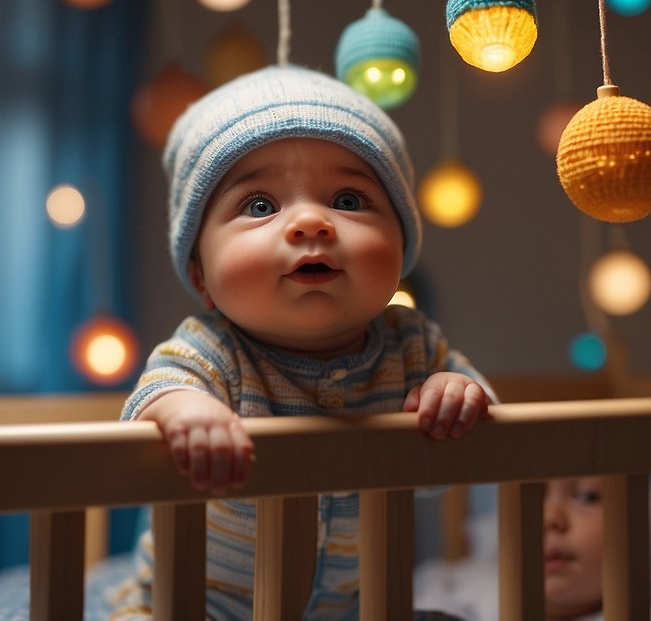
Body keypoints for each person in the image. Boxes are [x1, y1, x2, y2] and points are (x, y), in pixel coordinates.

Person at [106, 64, 497, 620]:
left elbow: (481, 444)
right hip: (195, 605)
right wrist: (186, 411)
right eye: (261, 206)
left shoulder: (412, 347)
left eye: (348, 199)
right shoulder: (212, 349)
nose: (311, 222)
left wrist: (457, 394)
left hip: (356, 609)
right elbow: (158, 395)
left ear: (402, 244)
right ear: (201, 276)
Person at [414, 473, 651, 621]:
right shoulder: (455, 589)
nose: (550, 518)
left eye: (587, 498)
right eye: (531, 498)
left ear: (640, 557)